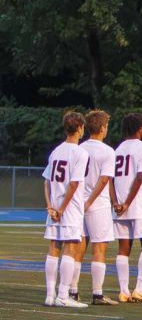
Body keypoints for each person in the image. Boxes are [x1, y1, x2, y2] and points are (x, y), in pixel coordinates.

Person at [42, 112, 89, 308]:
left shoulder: (56, 151)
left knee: (54, 248)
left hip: (55, 208)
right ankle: (63, 295)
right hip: (69, 209)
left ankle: (50, 295)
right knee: (71, 247)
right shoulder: (80, 153)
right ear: (79, 128)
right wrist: (61, 208)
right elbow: (74, 184)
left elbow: (46, 181)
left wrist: (50, 206)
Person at [112, 113, 142, 303]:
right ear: (140, 128)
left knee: (123, 247)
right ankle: (140, 288)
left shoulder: (117, 150)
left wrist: (116, 202)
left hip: (119, 206)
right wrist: (128, 203)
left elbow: (110, 179)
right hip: (138, 205)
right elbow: (140, 177)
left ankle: (123, 291)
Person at [76, 110, 119, 305]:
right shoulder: (108, 151)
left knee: (78, 247)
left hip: (77, 202)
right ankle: (97, 294)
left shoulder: (80, 148)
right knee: (99, 247)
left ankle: (72, 290)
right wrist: (91, 202)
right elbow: (104, 181)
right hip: (97, 204)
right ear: (102, 128)